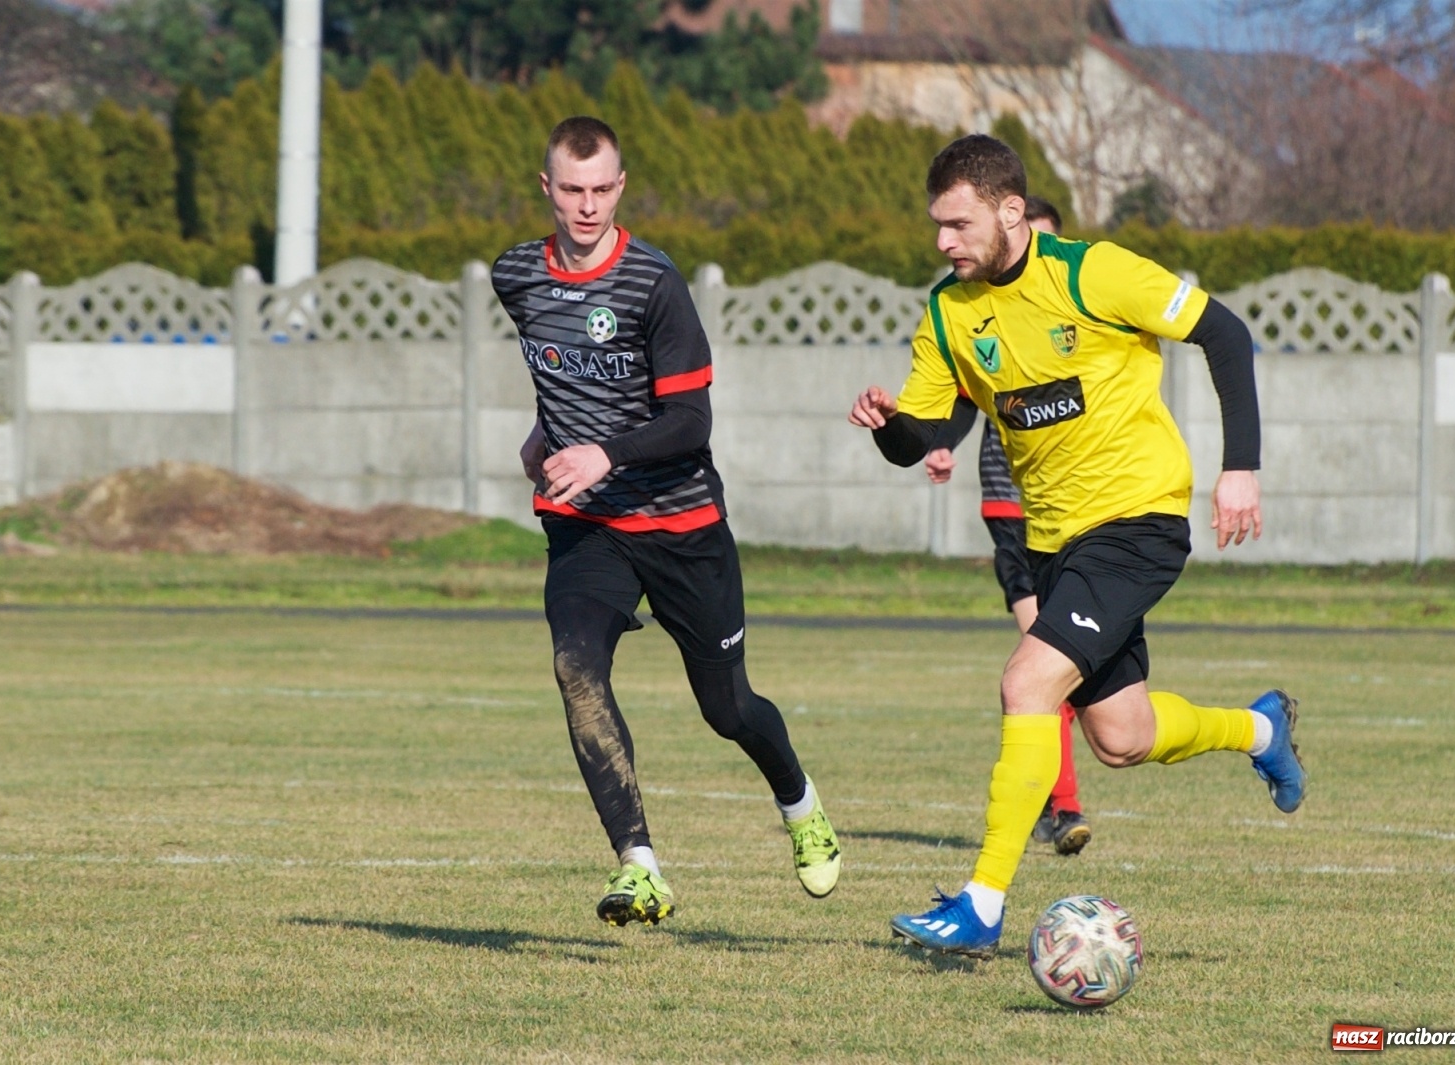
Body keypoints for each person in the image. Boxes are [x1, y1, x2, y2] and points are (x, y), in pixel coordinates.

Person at [847, 134, 1305, 958]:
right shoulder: (950, 311)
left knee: (1026, 681)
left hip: (1137, 520)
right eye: (937, 225)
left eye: (957, 224)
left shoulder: (1093, 272)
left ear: (1009, 211)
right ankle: (1260, 729)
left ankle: (981, 905)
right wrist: (888, 426)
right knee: (1122, 736)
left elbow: (1226, 333)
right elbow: (925, 434)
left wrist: (1241, 467)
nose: (943, 241)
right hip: (1054, 540)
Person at [491, 116, 841, 927]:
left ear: (621, 187)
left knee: (728, 708)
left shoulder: (654, 282)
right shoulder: (517, 275)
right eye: (571, 189)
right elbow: (559, 369)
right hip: (586, 524)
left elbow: (690, 421)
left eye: (601, 189)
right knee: (576, 666)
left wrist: (603, 452)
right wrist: (546, 434)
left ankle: (799, 802)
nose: (587, 206)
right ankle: (639, 866)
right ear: (546, 188)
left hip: (682, 524)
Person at [921, 195, 1091, 857]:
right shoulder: (982, 316)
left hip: (1076, 510)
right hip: (1011, 509)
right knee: (1044, 656)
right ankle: (1062, 804)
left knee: (1072, 676)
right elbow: (967, 394)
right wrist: (942, 442)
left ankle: (1055, 798)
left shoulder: (1074, 313)